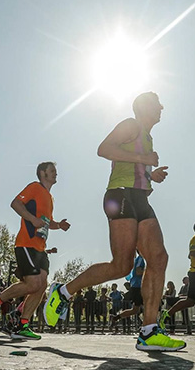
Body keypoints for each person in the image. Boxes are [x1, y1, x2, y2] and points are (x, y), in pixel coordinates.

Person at [44, 92, 184, 351]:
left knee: (159, 258)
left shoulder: (148, 137)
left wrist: (151, 175)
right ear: (142, 107)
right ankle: (63, 292)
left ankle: (149, 331)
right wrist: (144, 160)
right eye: (156, 103)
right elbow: (104, 149)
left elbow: (130, 163)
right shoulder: (131, 125)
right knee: (121, 266)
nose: (161, 106)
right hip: (120, 195)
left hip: (140, 198)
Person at [0, 162, 71, 340]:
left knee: (42, 285)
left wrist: (58, 225)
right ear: (42, 173)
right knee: (33, 284)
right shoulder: (34, 187)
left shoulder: (49, 197)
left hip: (41, 248)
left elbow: (47, 221)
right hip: (26, 244)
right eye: (52, 171)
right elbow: (15, 204)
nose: (56, 174)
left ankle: (22, 324)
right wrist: (32, 219)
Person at [110, 254, 146, 333]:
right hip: (138, 287)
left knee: (135, 310)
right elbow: (138, 271)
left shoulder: (137, 259)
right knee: (147, 306)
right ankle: (147, 328)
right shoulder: (140, 259)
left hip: (136, 286)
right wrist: (149, 271)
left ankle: (115, 318)